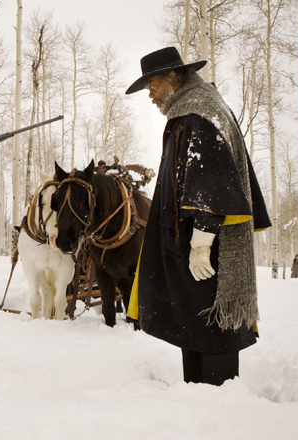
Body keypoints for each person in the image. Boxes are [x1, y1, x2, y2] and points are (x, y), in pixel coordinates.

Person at [125, 47, 271, 385]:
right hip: (189, 245)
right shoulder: (192, 112)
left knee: (211, 326)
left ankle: (217, 407)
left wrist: (202, 241)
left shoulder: (198, 115)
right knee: (196, 325)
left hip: (207, 250)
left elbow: (213, 181)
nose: (151, 95)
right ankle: (200, 397)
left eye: (153, 86)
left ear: (175, 78)